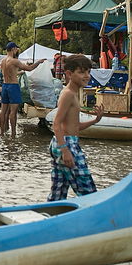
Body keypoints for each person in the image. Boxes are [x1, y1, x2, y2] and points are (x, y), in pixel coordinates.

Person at [48, 54, 104, 201]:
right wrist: (65, 150)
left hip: (63, 142)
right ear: (69, 74)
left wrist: (94, 121)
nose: (86, 76)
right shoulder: (68, 94)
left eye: (88, 72)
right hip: (66, 144)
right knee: (88, 191)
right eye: (81, 72)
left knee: (58, 193)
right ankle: (95, 217)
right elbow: (56, 123)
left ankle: (51, 216)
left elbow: (74, 126)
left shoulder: (73, 93)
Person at [0, 42, 45, 136]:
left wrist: (20, 72)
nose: (17, 51)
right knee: (13, 112)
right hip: (13, 86)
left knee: (3, 111)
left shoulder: (2, 61)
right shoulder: (15, 61)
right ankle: (13, 134)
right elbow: (30, 68)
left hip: (5, 86)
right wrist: (38, 62)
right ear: (13, 49)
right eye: (16, 49)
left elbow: (10, 72)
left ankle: (1, 132)